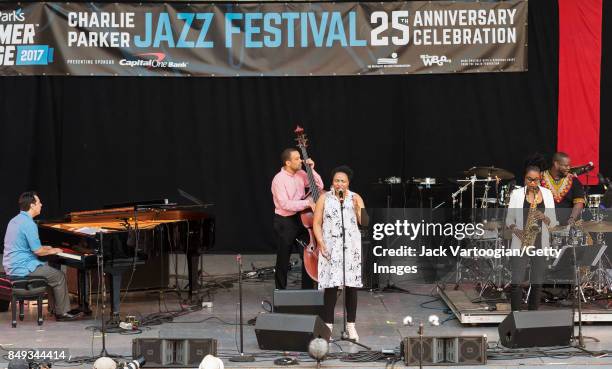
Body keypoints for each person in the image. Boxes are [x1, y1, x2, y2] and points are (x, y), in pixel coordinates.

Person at [2, 192, 80, 321]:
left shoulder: (15, 220)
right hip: (22, 267)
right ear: (32, 205)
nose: (41, 204)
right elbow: (38, 251)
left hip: (11, 265)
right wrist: (54, 250)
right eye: (39, 202)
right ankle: (63, 313)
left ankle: (54, 309)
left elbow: (29, 247)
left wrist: (47, 248)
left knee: (50, 274)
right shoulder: (29, 224)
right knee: (59, 276)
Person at [313, 166, 365, 341]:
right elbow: (316, 223)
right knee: (331, 286)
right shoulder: (324, 198)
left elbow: (364, 222)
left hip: (350, 248)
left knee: (351, 286)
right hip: (330, 246)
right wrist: (320, 242)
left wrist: (359, 208)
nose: (339, 183)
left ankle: (351, 326)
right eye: (337, 180)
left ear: (348, 182)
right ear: (332, 182)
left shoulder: (355, 197)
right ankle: (327, 327)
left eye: (343, 181)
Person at [506, 166, 557, 311]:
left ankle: (532, 315)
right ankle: (515, 314)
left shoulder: (547, 194)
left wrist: (544, 217)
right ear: (524, 178)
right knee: (516, 281)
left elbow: (553, 222)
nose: (532, 182)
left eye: (535, 180)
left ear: (540, 179)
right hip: (521, 241)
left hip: (541, 242)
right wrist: (516, 230)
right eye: (529, 179)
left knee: (537, 282)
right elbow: (509, 219)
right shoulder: (516, 194)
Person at [271, 148, 324, 289]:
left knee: (308, 255)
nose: (301, 160)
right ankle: (280, 292)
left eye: (300, 157)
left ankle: (307, 291)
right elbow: (285, 204)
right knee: (283, 258)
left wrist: (311, 169)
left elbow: (319, 186)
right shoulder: (278, 180)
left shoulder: (301, 173)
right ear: (288, 162)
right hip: (285, 222)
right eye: (296, 158)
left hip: (301, 221)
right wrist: (307, 203)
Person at [540, 152, 585, 225]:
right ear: (556, 164)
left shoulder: (573, 180)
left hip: (567, 225)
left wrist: (572, 218)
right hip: (545, 224)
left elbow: (579, 202)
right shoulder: (539, 178)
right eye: (566, 166)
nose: (568, 168)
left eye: (569, 166)